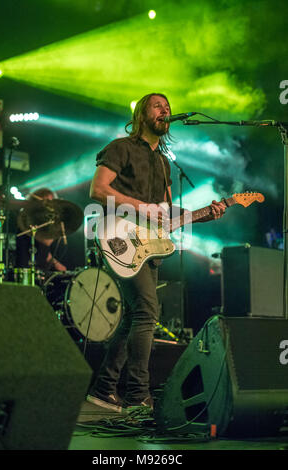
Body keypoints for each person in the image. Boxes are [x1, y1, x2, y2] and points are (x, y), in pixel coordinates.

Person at [87, 93, 226, 412]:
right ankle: (137, 395)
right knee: (147, 310)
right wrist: (144, 208)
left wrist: (205, 213)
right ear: (141, 114)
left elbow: (167, 217)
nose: (165, 111)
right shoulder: (121, 148)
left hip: (147, 246)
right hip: (119, 237)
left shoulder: (164, 162)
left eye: (168, 107)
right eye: (158, 106)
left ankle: (104, 388)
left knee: (135, 316)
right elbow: (98, 189)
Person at [16, 188, 67, 272]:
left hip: (42, 268)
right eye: (47, 202)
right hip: (26, 268)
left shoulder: (46, 224)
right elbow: (45, 241)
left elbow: (45, 251)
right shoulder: (28, 219)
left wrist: (57, 264)